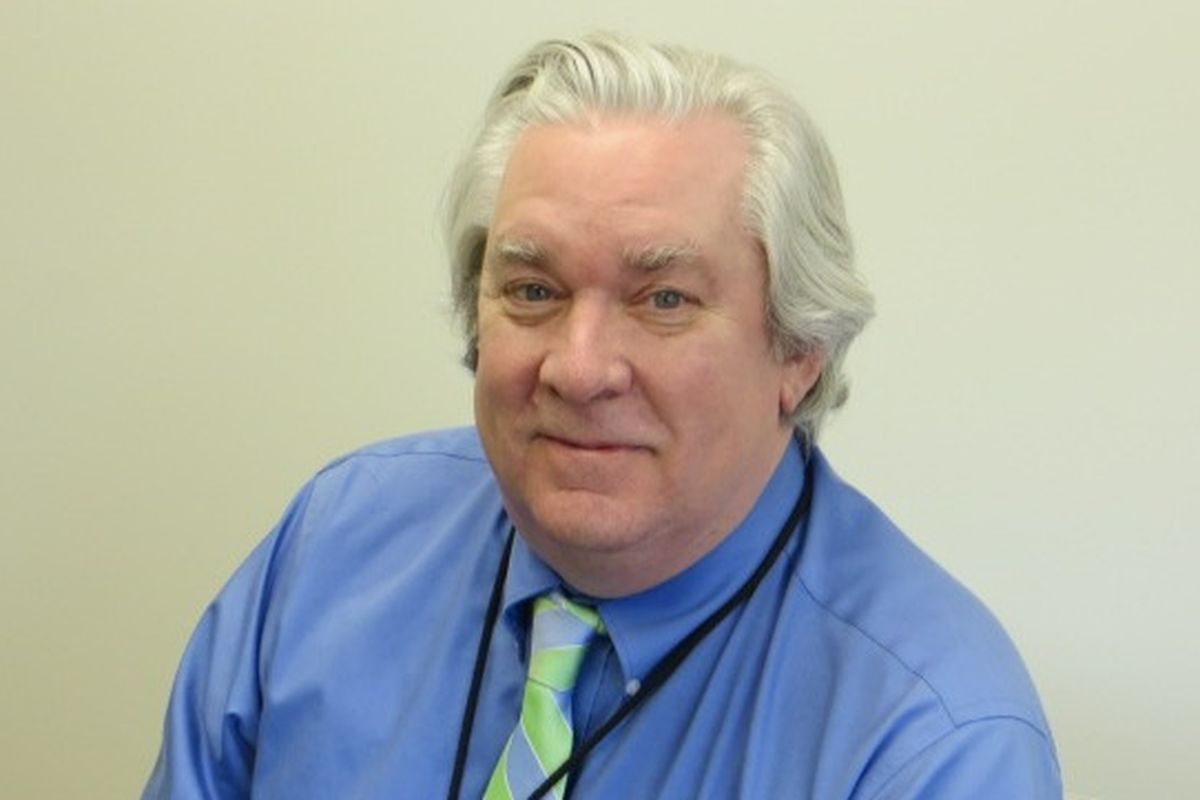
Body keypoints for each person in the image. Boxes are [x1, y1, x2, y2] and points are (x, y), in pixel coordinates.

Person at [144, 32, 1062, 799]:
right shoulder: (333, 548)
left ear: (798, 350)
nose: (579, 370)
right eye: (533, 290)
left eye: (663, 300)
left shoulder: (933, 740)